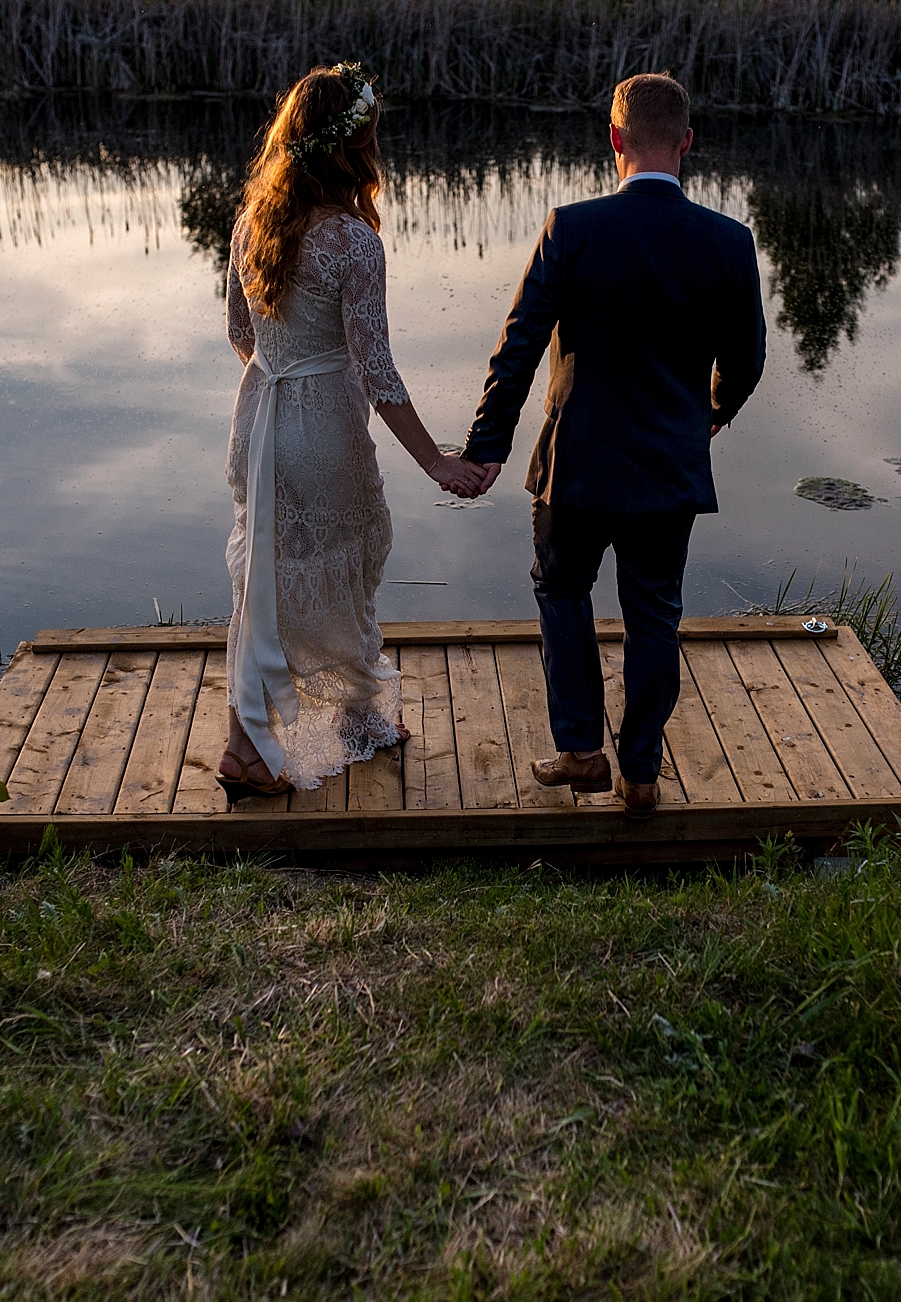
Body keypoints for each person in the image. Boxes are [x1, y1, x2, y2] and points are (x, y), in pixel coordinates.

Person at [461, 72, 767, 820]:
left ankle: (579, 749)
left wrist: (484, 448)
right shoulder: (729, 242)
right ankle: (640, 771)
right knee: (654, 615)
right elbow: (749, 359)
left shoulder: (572, 227)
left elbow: (518, 349)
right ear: (687, 142)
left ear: (614, 139)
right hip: (668, 466)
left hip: (577, 465)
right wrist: (711, 414)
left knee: (562, 590)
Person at [220, 63, 492, 800]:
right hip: (321, 423)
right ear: (355, 149)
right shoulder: (351, 242)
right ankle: (319, 728)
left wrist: (286, 370)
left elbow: (240, 333)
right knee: (351, 553)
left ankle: (282, 732)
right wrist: (437, 460)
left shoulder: (252, 221)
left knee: (266, 574)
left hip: (259, 414)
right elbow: (378, 372)